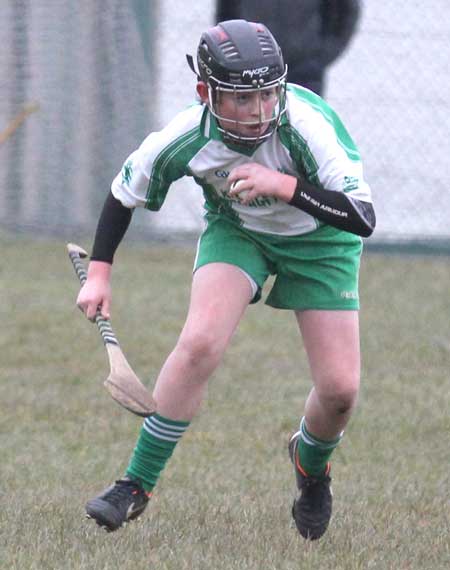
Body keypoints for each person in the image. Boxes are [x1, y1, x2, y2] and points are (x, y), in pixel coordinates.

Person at [77, 19, 375, 541]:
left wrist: (284, 185)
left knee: (340, 391)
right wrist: (98, 275)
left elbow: (362, 216)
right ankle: (134, 485)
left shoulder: (304, 126)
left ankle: (310, 464)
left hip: (323, 240)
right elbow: (123, 194)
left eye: (267, 94)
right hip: (239, 232)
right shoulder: (186, 137)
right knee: (198, 345)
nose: (258, 111)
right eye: (241, 99)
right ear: (205, 93)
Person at [216, 0, 361, 96]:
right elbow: (226, 12)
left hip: (304, 72)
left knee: (303, 134)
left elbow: (345, 12)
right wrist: (236, 55)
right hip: (252, 70)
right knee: (253, 135)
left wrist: (319, 57)